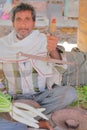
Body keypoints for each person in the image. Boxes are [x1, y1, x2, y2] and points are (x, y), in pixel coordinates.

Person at [0, 2, 77, 130]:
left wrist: (53, 50)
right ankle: (38, 120)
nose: (23, 24)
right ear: (13, 23)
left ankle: (24, 120)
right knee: (4, 119)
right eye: (18, 19)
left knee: (70, 93)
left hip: (41, 96)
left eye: (27, 19)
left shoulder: (43, 41)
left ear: (33, 23)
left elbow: (59, 67)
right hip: (16, 99)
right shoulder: (3, 45)